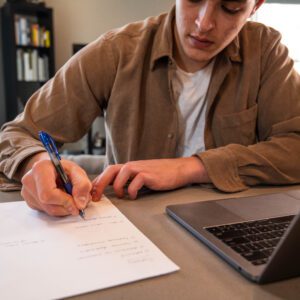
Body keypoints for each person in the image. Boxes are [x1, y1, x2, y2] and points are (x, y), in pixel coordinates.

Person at [0, 0, 299, 217]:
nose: (204, 23)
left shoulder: (266, 52)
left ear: (255, 5)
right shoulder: (117, 50)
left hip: (232, 224)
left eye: (230, 7)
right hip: (133, 232)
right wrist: (37, 162)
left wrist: (190, 168)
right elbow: (18, 133)